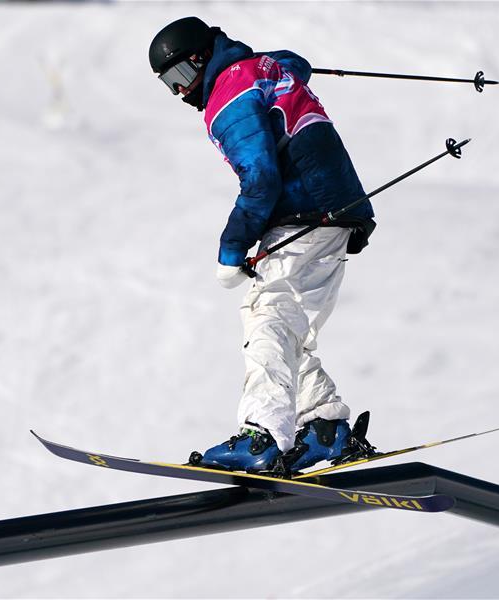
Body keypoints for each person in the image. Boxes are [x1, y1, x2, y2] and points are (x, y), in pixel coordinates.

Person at [149, 17, 376, 473]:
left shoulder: (229, 95)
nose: (180, 93)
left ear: (200, 59)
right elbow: (298, 65)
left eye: (181, 77)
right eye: (167, 84)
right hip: (333, 207)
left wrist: (231, 248)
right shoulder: (262, 69)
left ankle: (263, 435)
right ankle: (322, 426)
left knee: (271, 315)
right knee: (282, 320)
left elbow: (260, 178)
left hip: (306, 211)